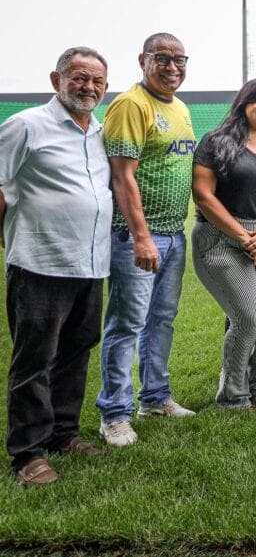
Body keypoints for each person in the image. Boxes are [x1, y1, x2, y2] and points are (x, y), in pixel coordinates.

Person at [1, 47, 111, 486]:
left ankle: (63, 433)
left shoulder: (100, 131)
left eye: (97, 81)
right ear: (56, 79)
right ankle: (26, 452)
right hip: (40, 263)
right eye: (79, 78)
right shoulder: (27, 125)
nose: (88, 87)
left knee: (77, 351)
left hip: (89, 264)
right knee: (35, 359)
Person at [97, 33, 196, 448]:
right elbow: (122, 176)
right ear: (143, 60)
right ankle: (114, 414)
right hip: (138, 235)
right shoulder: (130, 105)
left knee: (160, 321)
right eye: (163, 59)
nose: (173, 67)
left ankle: (155, 398)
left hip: (174, 234)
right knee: (126, 324)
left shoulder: (180, 107)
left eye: (180, 59)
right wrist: (141, 237)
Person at [192, 79, 256, 410]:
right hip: (221, 237)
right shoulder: (215, 141)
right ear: (244, 103)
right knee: (249, 316)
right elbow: (203, 194)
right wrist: (242, 235)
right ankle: (234, 396)